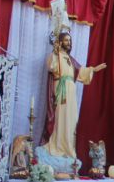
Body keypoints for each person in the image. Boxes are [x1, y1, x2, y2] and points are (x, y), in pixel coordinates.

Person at [41, 31, 106, 160]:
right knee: (60, 118)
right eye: (66, 40)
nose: (69, 43)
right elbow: (51, 67)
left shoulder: (70, 60)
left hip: (71, 92)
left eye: (69, 41)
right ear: (60, 42)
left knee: (71, 120)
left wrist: (93, 69)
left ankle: (67, 149)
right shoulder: (56, 56)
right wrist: (55, 52)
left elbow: (81, 71)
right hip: (61, 90)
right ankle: (57, 146)